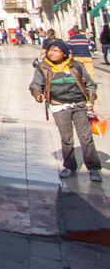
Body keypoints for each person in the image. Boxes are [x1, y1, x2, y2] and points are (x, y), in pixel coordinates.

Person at [31, 40, 101, 181]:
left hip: (79, 104)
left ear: (64, 53)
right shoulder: (43, 67)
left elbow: (90, 84)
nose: (52, 53)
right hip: (59, 105)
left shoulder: (75, 66)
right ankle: (69, 166)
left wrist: (91, 100)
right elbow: (35, 84)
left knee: (86, 137)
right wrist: (37, 94)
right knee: (67, 138)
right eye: (51, 50)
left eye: (56, 50)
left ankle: (93, 168)